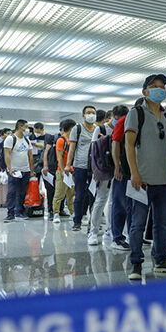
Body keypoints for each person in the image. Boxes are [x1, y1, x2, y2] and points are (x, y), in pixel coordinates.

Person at [125, 74, 166, 280]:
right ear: (145, 91)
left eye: (162, 87)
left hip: (164, 181)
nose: (160, 90)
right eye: (154, 86)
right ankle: (136, 263)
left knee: (162, 224)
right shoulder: (136, 113)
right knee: (138, 224)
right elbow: (129, 145)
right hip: (142, 181)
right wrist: (134, 173)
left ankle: (161, 260)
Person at [88, 108, 118, 245]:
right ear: (111, 116)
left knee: (113, 201)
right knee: (101, 199)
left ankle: (110, 230)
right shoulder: (100, 129)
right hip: (103, 169)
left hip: (117, 169)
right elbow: (93, 152)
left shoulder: (121, 128)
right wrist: (95, 172)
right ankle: (93, 232)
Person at [66, 105, 97, 231]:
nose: (91, 115)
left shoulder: (97, 129)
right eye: (88, 113)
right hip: (80, 166)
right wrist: (68, 165)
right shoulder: (77, 129)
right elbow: (72, 149)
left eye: (93, 113)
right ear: (83, 115)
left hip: (94, 167)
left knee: (93, 195)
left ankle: (92, 223)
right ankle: (77, 221)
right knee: (79, 195)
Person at [110, 104, 133, 251]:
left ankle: (133, 234)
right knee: (119, 204)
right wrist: (117, 167)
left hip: (134, 171)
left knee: (132, 205)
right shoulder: (123, 121)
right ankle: (117, 237)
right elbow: (115, 145)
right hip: (124, 170)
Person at [3, 120, 34, 223]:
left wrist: (31, 170)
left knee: (22, 192)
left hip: (25, 170)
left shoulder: (27, 140)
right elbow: (7, 154)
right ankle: (10, 214)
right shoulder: (10, 139)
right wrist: (10, 168)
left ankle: (19, 211)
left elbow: (30, 156)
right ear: (20, 127)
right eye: (26, 127)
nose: (27, 129)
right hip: (14, 171)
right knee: (12, 192)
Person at [52, 119, 77, 224]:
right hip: (62, 171)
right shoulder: (61, 140)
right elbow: (59, 157)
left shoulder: (73, 140)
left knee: (71, 194)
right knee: (59, 194)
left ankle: (72, 212)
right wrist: (62, 170)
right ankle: (56, 213)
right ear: (71, 128)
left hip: (72, 171)